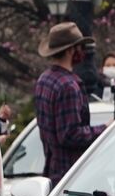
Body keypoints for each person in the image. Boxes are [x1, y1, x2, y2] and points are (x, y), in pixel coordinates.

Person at [34, 22, 106, 186]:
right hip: (71, 177)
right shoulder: (68, 86)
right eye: (79, 47)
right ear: (70, 50)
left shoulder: (44, 79)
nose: (83, 51)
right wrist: (105, 129)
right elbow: (70, 135)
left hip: (53, 173)